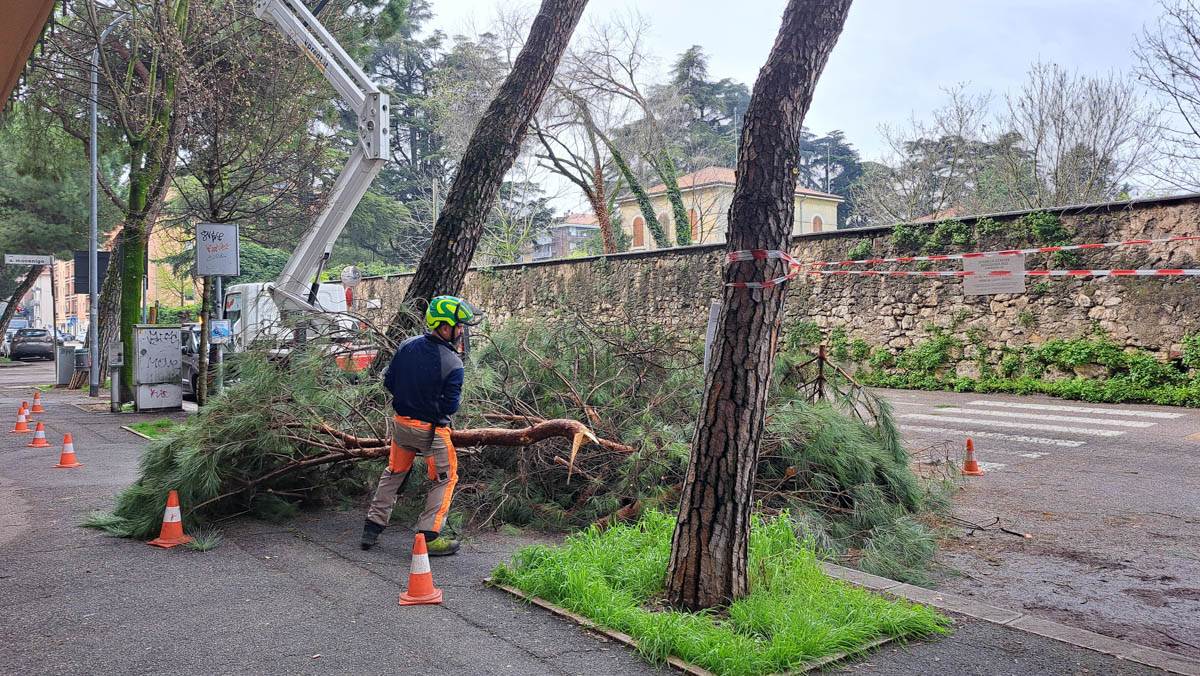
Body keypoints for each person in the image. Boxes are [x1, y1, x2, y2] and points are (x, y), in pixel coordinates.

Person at [360, 295, 479, 556]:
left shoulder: (407, 345)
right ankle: (429, 535)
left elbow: (389, 382)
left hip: (401, 425)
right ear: (444, 327)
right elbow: (450, 407)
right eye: (459, 326)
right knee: (444, 479)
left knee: (394, 472)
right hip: (432, 432)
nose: (461, 331)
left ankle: (372, 527)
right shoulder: (453, 363)